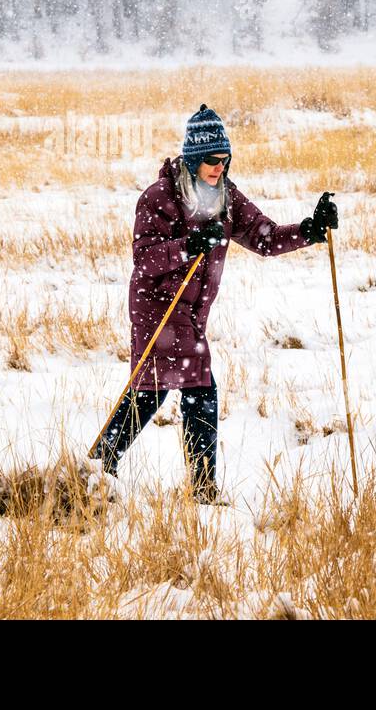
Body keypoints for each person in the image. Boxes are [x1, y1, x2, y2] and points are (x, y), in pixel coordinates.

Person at [90, 103, 338, 504]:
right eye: (210, 159)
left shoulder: (227, 199)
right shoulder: (159, 197)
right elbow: (145, 259)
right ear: (192, 159)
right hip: (159, 307)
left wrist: (310, 229)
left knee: (151, 391)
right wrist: (188, 246)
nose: (218, 167)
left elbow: (266, 237)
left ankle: (100, 464)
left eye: (224, 159)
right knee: (196, 385)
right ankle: (201, 491)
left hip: (191, 312)